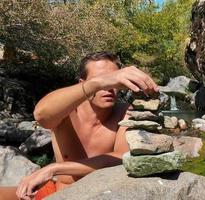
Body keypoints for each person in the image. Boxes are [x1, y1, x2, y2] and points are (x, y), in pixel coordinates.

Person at [0, 51, 159, 200]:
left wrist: (53, 168)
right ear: (83, 83)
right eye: (101, 81)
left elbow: (122, 157)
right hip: (58, 192)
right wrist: (98, 83)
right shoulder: (66, 111)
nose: (108, 87)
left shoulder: (126, 114)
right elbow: (41, 116)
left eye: (113, 80)